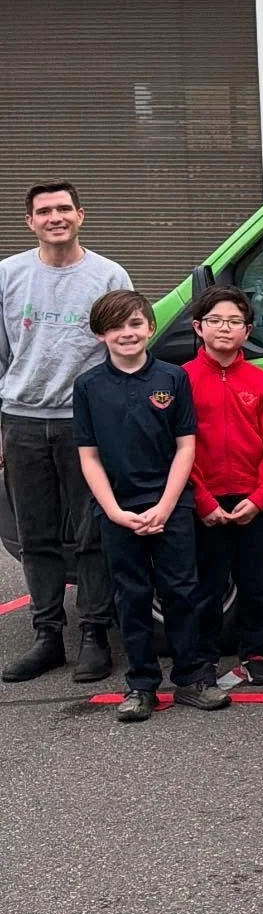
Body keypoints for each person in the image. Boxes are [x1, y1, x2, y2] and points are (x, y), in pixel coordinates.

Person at [72, 290, 229, 722]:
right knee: (132, 596)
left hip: (170, 505)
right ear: (101, 333)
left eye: (136, 324)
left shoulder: (172, 378)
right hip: (117, 510)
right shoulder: (88, 386)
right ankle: (141, 684)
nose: (127, 333)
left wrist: (166, 504)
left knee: (181, 591)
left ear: (150, 327)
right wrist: (115, 511)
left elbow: (185, 447)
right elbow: (89, 456)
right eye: (117, 326)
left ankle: (191, 678)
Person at [0, 181, 130, 683]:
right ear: (29, 222)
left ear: (81, 214)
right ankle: (47, 635)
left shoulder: (107, 274)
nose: (55, 217)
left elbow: (121, 351)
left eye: (63, 209)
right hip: (24, 419)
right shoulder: (9, 275)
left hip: (86, 422)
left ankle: (95, 634)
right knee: (37, 536)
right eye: (44, 211)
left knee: (92, 531)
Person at [184, 285, 263, 686]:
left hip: (252, 498)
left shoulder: (262, 381)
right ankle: (204, 658)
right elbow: (179, 450)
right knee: (206, 584)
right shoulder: (181, 381)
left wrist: (260, 499)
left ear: (247, 330)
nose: (224, 329)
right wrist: (202, 500)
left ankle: (256, 652)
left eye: (234, 322)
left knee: (256, 580)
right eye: (215, 321)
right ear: (198, 327)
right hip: (204, 500)